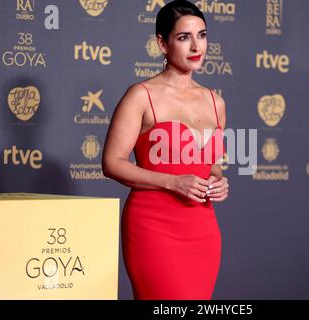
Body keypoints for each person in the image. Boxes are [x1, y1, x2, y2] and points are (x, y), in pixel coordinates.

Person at [102, 0, 229, 300]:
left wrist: (218, 180)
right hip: (153, 226)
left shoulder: (215, 102)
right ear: (162, 43)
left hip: (203, 228)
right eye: (184, 37)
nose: (196, 46)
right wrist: (173, 182)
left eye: (202, 35)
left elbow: (210, 163)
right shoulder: (141, 95)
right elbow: (112, 163)